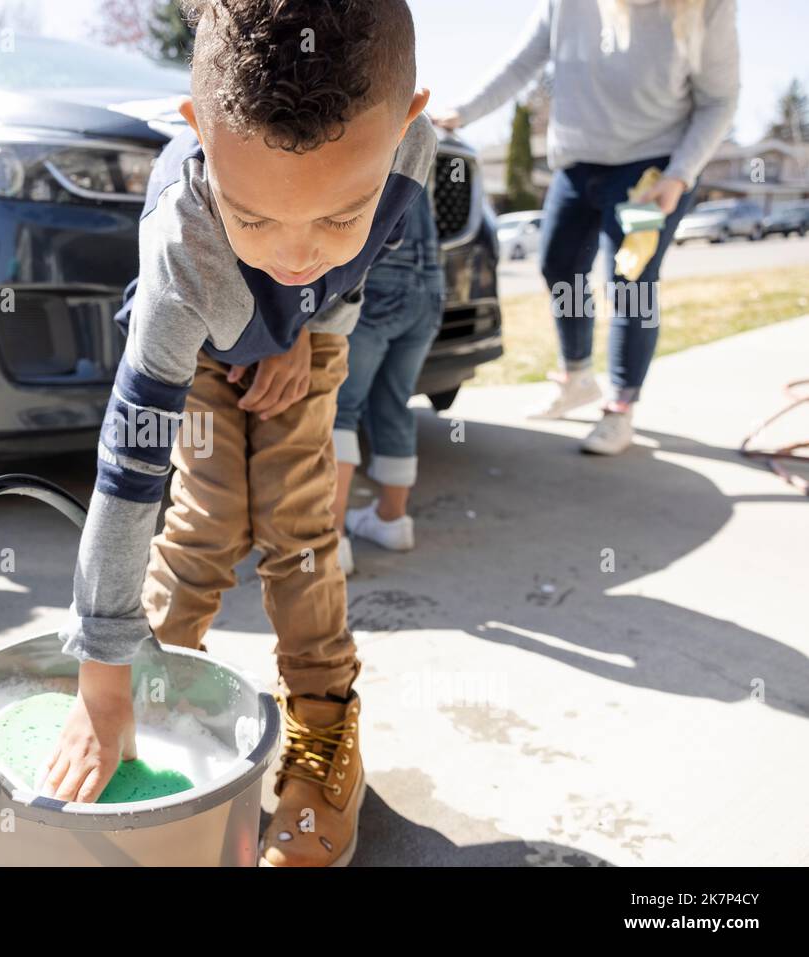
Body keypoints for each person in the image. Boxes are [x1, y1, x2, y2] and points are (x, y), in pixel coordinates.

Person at [45, 0, 436, 867]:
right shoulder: (182, 254)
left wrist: (312, 328)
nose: (296, 253)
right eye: (252, 217)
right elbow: (127, 470)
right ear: (197, 132)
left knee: (299, 525)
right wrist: (100, 677)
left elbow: (342, 269)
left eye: (340, 214)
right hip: (201, 346)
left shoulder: (412, 148)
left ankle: (324, 726)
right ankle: (149, 690)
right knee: (204, 520)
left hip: (308, 341)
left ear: (407, 130)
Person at [436, 0, 739, 455]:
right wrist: (460, 112)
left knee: (630, 283)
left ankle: (621, 406)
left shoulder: (707, 8)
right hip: (578, 165)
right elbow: (522, 63)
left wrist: (679, 175)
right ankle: (576, 376)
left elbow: (720, 100)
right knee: (561, 268)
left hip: (650, 173)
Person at [334, 188, 444, 568]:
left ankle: (331, 542)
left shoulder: (368, 129)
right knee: (394, 402)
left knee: (338, 410)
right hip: (428, 286)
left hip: (376, 284)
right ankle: (391, 519)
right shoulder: (418, 129)